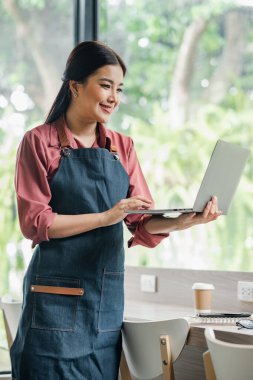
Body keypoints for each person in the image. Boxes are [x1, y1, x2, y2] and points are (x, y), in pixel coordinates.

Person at [11, 41, 221, 379]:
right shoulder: (39, 142)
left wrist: (187, 220)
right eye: (105, 85)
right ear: (75, 87)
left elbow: (140, 222)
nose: (114, 97)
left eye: (119, 88)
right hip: (53, 306)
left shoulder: (122, 147)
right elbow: (36, 222)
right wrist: (107, 217)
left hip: (105, 306)